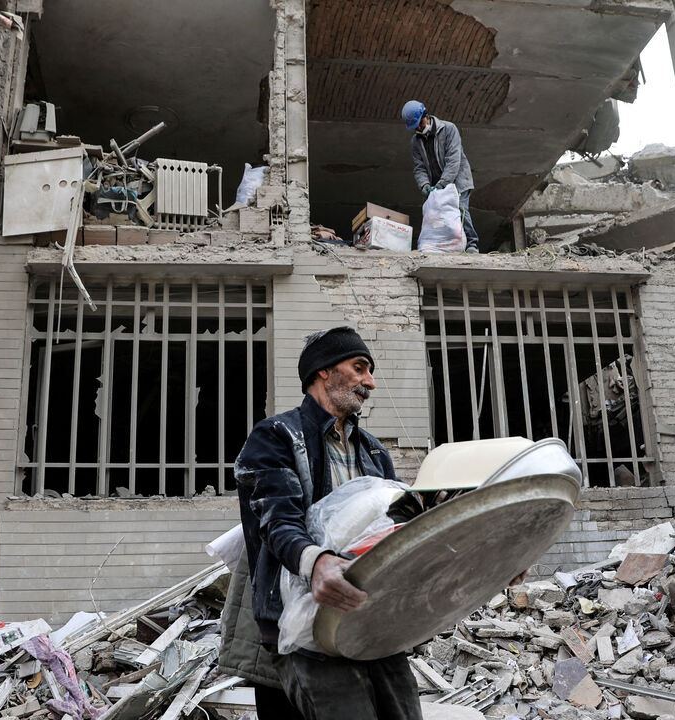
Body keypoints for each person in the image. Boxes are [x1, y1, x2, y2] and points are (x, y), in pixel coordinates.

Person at [222, 326, 420, 720]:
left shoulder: (374, 453)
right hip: (297, 623)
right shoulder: (277, 436)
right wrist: (319, 563)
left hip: (369, 619)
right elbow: (276, 519)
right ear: (323, 372)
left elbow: (401, 527)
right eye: (360, 368)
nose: (371, 382)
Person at [403, 99, 479, 253]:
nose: (418, 128)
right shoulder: (415, 142)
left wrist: (443, 183)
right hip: (435, 185)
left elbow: (453, 160)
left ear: (426, 115)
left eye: (420, 123)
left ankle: (472, 244)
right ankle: (443, 246)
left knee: (460, 209)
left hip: (458, 180)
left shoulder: (449, 129)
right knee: (433, 215)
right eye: (415, 127)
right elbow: (419, 167)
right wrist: (424, 185)